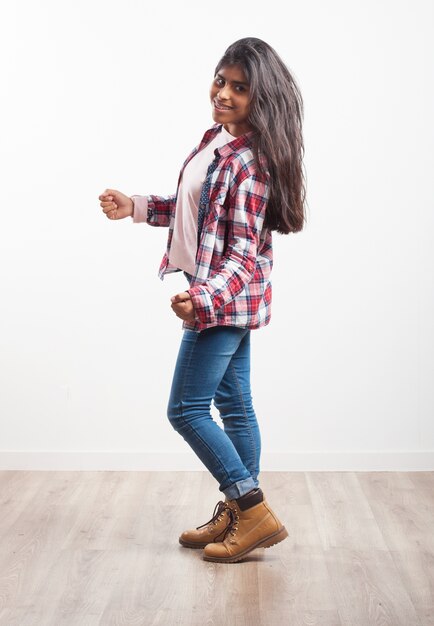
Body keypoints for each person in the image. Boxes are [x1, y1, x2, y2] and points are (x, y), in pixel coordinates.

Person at [98, 37, 306, 563]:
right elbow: (195, 211)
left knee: (186, 409)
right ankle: (242, 511)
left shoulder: (251, 163)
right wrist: (137, 206)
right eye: (221, 80)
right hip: (214, 293)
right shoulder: (216, 142)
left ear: (262, 98)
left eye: (240, 88)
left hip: (224, 298)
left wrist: (204, 299)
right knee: (234, 406)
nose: (224, 94)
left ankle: (250, 507)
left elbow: (243, 254)